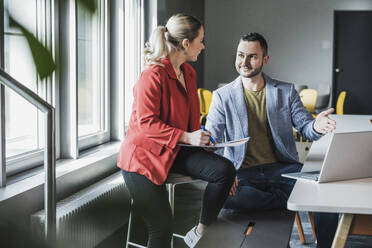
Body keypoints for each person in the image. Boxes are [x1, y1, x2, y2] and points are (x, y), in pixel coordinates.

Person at [205, 32, 338, 248]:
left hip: (282, 169)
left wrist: (316, 125)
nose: (244, 62)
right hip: (243, 174)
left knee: (324, 196)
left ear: (265, 60)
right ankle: (287, 201)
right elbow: (215, 142)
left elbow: (305, 126)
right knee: (223, 196)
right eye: (240, 55)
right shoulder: (222, 96)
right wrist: (224, 171)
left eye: (252, 56)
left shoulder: (285, 91)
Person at [117, 14, 235, 248]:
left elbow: (192, 123)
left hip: (174, 151)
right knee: (161, 229)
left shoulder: (189, 74)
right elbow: (146, 123)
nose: (203, 46)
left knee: (225, 170)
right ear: (185, 44)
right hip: (142, 159)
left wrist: (202, 141)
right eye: (201, 40)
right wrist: (186, 136)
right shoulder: (152, 76)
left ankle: (201, 230)